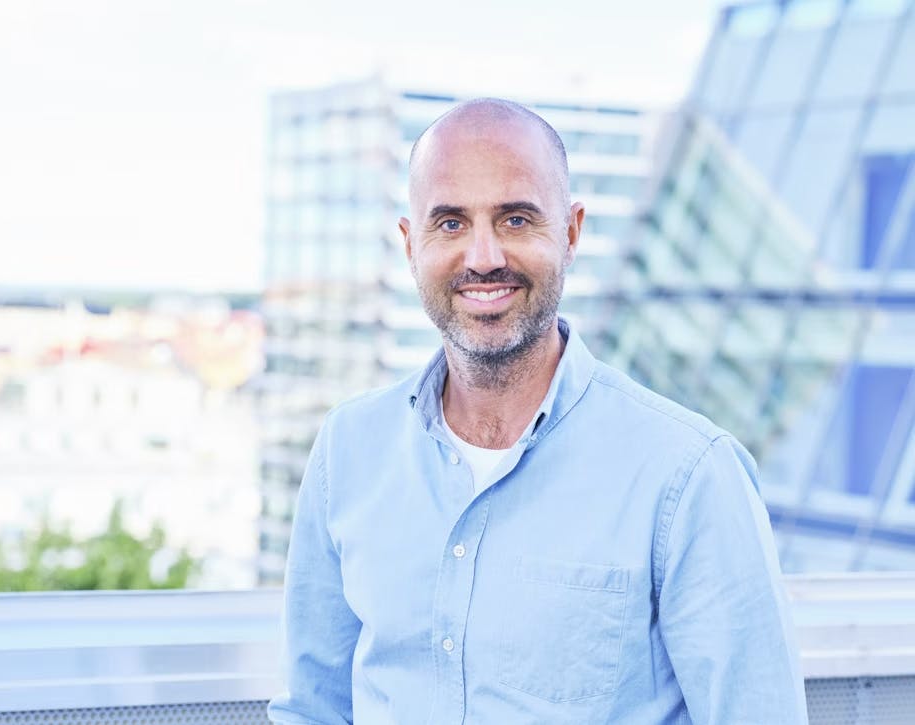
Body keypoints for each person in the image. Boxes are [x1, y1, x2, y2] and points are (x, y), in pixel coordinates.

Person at [268, 98, 808, 724]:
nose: (483, 257)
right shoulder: (348, 448)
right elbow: (313, 709)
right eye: (450, 223)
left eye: (516, 219)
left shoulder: (689, 475)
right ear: (410, 245)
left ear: (571, 233)